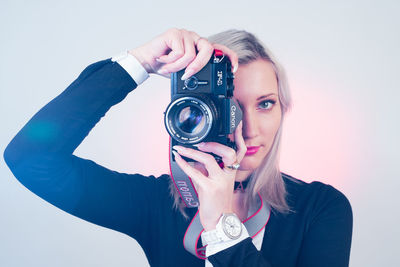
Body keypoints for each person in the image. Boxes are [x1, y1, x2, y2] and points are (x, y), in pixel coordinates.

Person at [3, 28, 353, 267]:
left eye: (265, 104)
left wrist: (220, 226)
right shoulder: (159, 203)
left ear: (283, 109)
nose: (249, 127)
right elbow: (30, 158)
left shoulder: (321, 208)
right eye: (230, 106)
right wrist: (140, 63)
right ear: (198, 111)